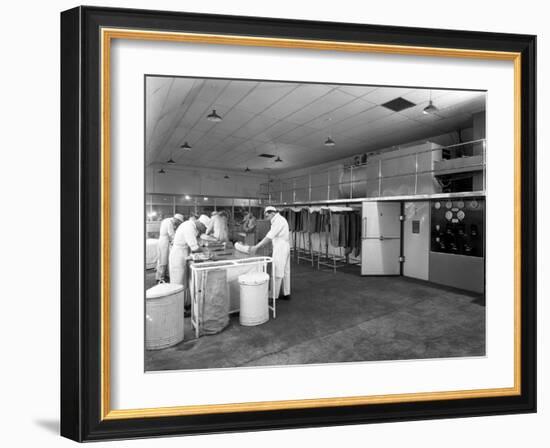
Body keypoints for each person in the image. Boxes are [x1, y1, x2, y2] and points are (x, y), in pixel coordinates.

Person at [250, 206, 291, 300]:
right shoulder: (279, 220)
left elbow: (269, 237)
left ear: (273, 213)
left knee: (277, 270)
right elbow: (271, 235)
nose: (266, 216)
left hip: (281, 247)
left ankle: (273, 295)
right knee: (285, 270)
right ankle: (286, 292)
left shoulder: (278, 221)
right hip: (284, 246)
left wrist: (256, 247)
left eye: (267, 214)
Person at [169, 218, 207, 310]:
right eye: (203, 227)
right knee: (177, 282)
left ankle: (184, 305)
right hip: (178, 255)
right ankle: (176, 309)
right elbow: (194, 247)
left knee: (184, 282)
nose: (203, 230)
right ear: (200, 223)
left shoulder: (192, 226)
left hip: (183, 253)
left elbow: (196, 241)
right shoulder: (189, 227)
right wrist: (206, 252)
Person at [155, 213, 184, 283]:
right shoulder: (169, 222)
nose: (178, 224)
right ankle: (160, 278)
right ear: (176, 219)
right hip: (164, 241)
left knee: (166, 259)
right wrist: (178, 239)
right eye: (178, 222)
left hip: (166, 240)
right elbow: (171, 234)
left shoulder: (169, 220)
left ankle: (164, 275)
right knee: (163, 259)